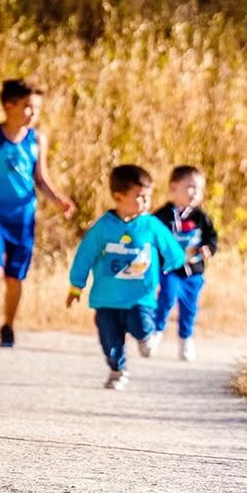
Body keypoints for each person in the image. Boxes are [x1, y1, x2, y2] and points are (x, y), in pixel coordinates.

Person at [66, 165, 184, 390]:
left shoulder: (150, 224)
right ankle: (117, 370)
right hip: (106, 299)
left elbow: (172, 250)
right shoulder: (103, 228)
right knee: (109, 339)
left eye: (148, 196)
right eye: (139, 197)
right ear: (118, 197)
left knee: (141, 325)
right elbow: (85, 256)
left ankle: (147, 336)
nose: (146, 202)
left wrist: (172, 265)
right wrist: (76, 286)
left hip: (140, 297)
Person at [0, 79, 75, 347]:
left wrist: (58, 199)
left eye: (36, 108)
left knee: (16, 277)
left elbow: (40, 177)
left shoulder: (37, 139)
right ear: (8, 105)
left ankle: (8, 326)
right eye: (27, 107)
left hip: (23, 218)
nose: (33, 113)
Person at [150, 165, 218, 362]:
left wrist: (208, 248)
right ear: (173, 188)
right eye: (190, 187)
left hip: (193, 271)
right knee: (167, 297)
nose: (195, 193)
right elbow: (151, 237)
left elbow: (211, 237)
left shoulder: (200, 217)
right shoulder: (162, 216)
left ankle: (185, 339)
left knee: (189, 307)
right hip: (169, 269)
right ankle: (156, 332)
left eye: (198, 189)